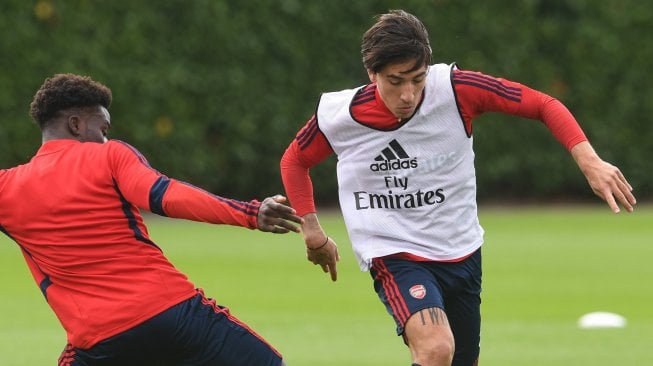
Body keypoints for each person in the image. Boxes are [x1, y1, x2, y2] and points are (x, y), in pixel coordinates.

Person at [280, 9, 636, 366]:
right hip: (394, 251)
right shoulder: (340, 116)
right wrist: (312, 231)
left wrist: (590, 161)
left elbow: (543, 104)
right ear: (371, 74)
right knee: (436, 349)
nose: (408, 94)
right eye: (395, 81)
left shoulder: (457, 89)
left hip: (461, 249)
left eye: (417, 80)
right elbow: (294, 161)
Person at [0, 73, 302, 366]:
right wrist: (248, 213)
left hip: (97, 340)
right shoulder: (110, 156)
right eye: (103, 129)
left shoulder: (6, 189)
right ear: (75, 124)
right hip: (170, 313)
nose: (107, 138)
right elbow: (166, 195)